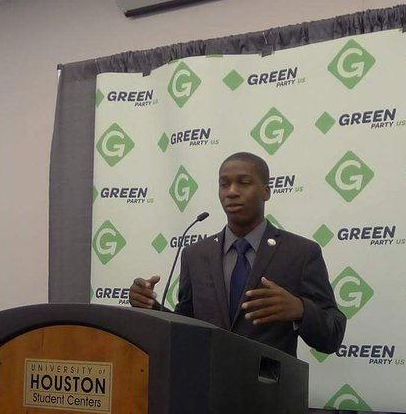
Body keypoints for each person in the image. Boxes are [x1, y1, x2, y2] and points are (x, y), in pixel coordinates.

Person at [128, 151, 346, 356]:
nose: (231, 192)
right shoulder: (195, 255)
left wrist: (301, 310)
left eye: (244, 183)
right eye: (224, 184)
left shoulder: (300, 253)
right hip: (204, 381)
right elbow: (185, 326)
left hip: (267, 383)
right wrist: (150, 306)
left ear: (266, 191)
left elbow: (333, 336)